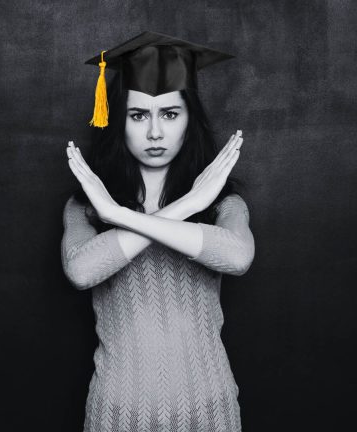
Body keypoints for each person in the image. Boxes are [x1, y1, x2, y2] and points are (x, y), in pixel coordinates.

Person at [61, 31, 255, 432]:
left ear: (189, 119)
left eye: (169, 114)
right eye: (138, 115)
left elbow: (237, 258)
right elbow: (81, 272)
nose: (154, 133)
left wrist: (122, 216)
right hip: (116, 416)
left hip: (209, 414)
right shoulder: (87, 208)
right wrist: (185, 207)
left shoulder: (223, 204)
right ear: (118, 120)